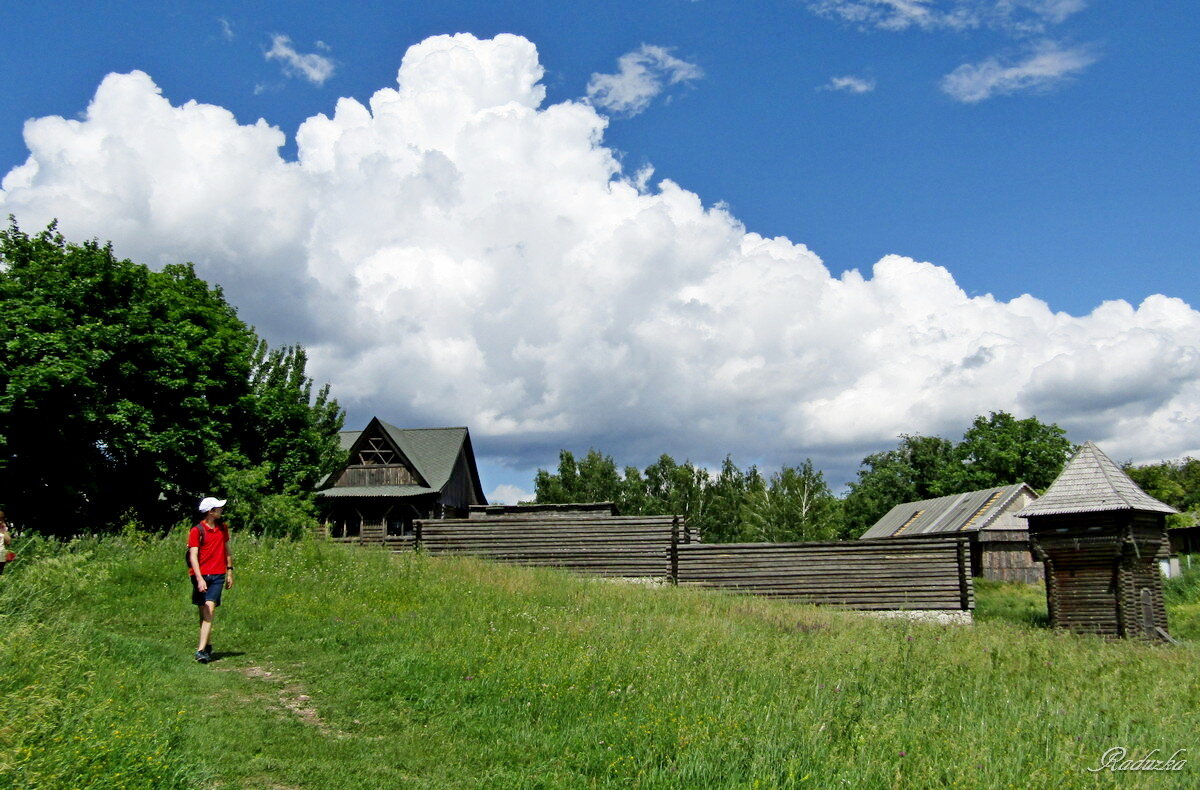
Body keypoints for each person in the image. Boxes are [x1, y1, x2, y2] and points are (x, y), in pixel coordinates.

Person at [189, 497, 234, 663]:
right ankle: (207, 645)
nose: (221, 510)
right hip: (200, 575)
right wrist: (199, 578)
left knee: (209, 610)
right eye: (218, 508)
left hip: (217, 575)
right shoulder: (197, 531)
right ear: (211, 511)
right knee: (203, 611)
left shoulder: (223, 528)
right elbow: (193, 556)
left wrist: (229, 571)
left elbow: (227, 550)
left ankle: (200, 651)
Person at [0, 510, 11, 575]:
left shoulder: (2, 529)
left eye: (1, 519)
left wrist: (3, 530)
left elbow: (8, 542)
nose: (0, 521)